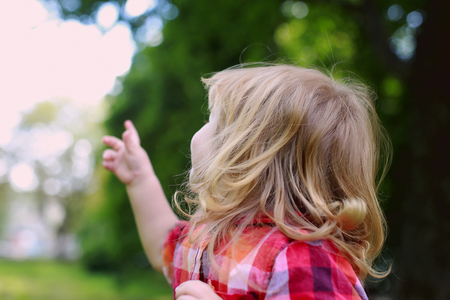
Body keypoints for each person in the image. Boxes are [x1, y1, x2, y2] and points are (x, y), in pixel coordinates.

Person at [102, 64, 391, 299]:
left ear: (246, 155)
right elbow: (161, 246)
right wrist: (141, 181)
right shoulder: (208, 237)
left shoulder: (300, 259)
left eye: (211, 120)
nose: (198, 130)